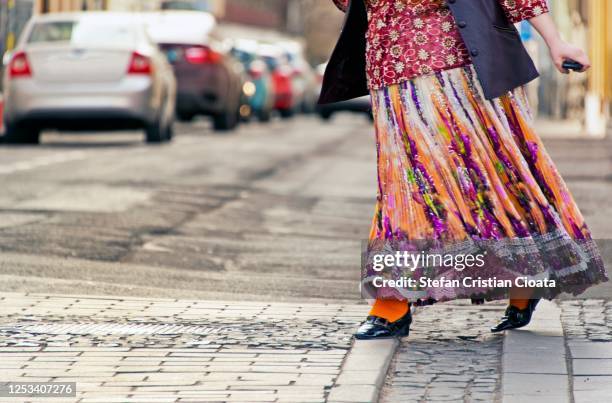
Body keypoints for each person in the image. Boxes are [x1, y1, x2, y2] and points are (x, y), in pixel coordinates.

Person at [321, 0, 608, 340]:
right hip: (390, 71)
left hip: (456, 69)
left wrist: (556, 41)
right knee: (405, 183)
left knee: (488, 180)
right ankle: (393, 299)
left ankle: (521, 278)